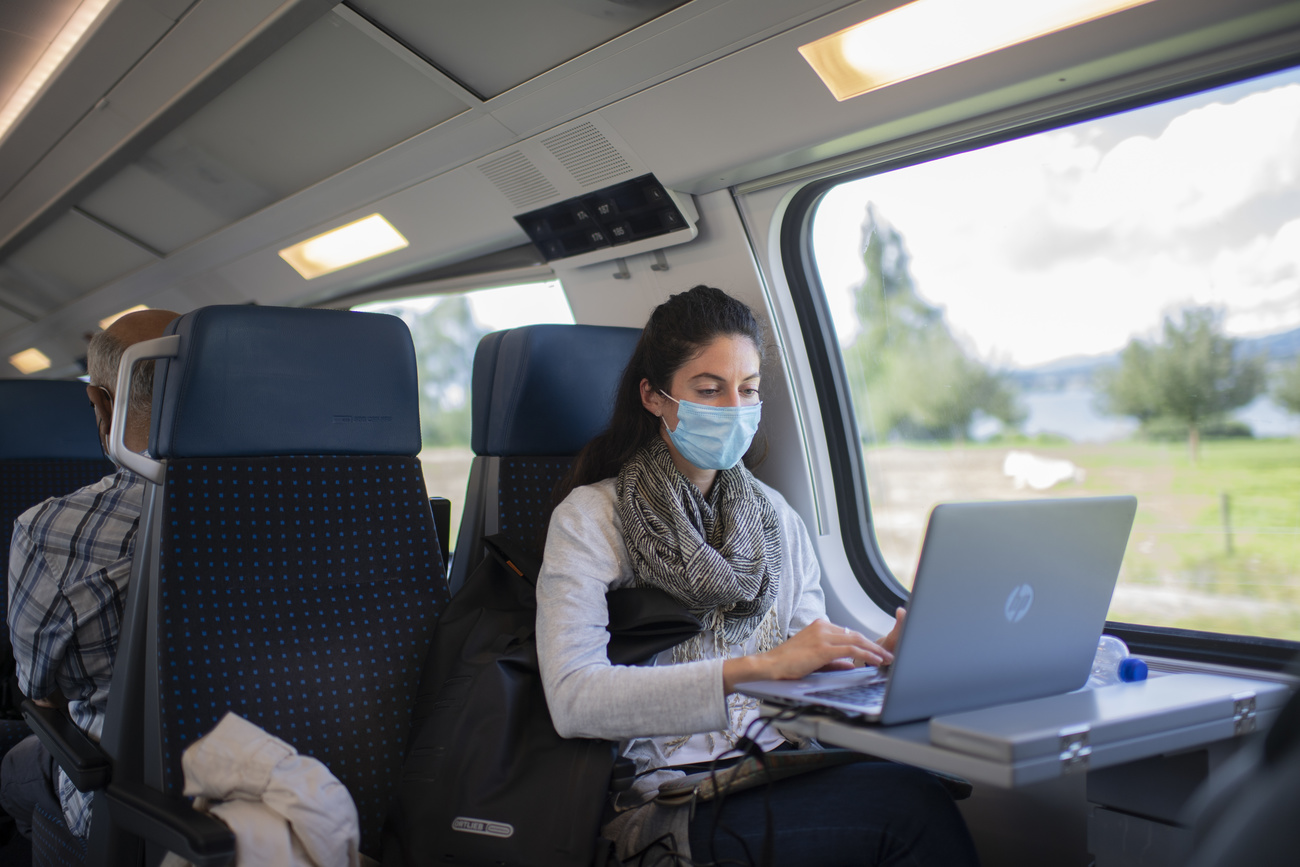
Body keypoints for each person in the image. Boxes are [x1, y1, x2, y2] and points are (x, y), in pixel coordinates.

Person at [536, 286, 979, 866]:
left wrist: (869, 659)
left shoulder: (776, 518)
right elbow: (574, 700)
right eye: (708, 389)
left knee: (923, 784)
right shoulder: (591, 518)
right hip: (664, 799)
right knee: (907, 810)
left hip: (776, 767)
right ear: (654, 397)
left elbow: (806, 662)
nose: (733, 408)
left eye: (747, 391)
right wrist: (754, 670)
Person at [1, 308, 179, 840]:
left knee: (15, 768)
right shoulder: (329, 513)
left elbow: (40, 691)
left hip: (132, 801)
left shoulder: (51, 530)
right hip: (323, 785)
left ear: (101, 404)